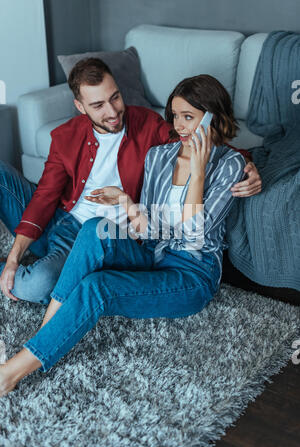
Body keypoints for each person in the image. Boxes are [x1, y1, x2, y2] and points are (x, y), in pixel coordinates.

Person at [1, 74, 247, 396]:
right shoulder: (160, 156)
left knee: (96, 288)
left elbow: (194, 234)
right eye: (175, 116)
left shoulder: (230, 165)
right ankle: (47, 333)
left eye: (189, 117)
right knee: (93, 230)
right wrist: (128, 205)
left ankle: (11, 373)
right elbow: (145, 228)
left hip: (192, 272)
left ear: (213, 117)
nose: (180, 126)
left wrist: (199, 172)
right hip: (150, 252)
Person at [0, 58, 261, 305]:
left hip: (91, 235)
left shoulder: (146, 124)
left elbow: (196, 142)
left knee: (36, 285)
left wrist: (246, 162)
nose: (113, 111)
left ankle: (51, 266)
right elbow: (45, 195)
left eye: (115, 97)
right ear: (80, 107)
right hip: (62, 218)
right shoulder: (65, 136)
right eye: (98, 105)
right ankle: (40, 258)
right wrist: (14, 257)